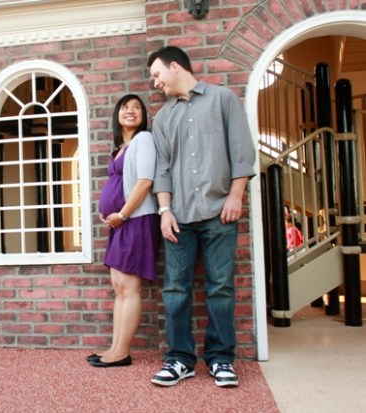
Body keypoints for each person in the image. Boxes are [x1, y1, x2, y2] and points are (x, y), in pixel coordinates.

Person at [147, 46, 256, 387]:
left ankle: (221, 359)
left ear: (175, 67)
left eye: (157, 75)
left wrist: (235, 196)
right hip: (179, 217)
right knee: (175, 289)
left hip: (219, 214)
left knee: (220, 288)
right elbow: (162, 169)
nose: (155, 83)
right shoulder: (162, 119)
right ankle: (180, 359)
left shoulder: (222, 99)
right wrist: (164, 211)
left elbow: (242, 152)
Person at [87, 94, 160, 368]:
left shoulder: (144, 139)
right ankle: (114, 347)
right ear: (117, 114)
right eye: (125, 107)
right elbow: (118, 182)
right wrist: (107, 208)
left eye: (137, 107)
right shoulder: (121, 146)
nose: (131, 111)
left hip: (136, 219)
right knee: (118, 287)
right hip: (120, 222)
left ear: (143, 115)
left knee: (129, 288)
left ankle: (122, 352)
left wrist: (123, 213)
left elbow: (144, 182)